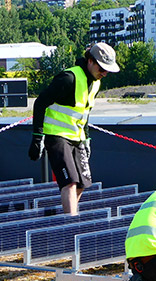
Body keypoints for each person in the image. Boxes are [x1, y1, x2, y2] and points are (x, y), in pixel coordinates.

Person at [28, 42, 120, 215]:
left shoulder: (95, 83)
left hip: (77, 137)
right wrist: (37, 137)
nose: (104, 73)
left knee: (82, 183)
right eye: (102, 68)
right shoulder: (68, 78)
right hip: (56, 136)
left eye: (107, 70)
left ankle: (68, 217)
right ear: (90, 61)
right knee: (69, 182)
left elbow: (84, 113)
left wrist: (86, 139)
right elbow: (40, 103)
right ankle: (71, 225)